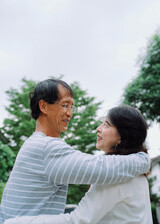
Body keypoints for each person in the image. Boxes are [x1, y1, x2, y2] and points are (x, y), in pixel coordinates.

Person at [0, 79, 150, 224]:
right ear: (43, 107)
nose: (70, 113)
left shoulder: (37, 143)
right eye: (65, 105)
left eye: (72, 107)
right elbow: (99, 168)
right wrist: (143, 159)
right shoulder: (46, 147)